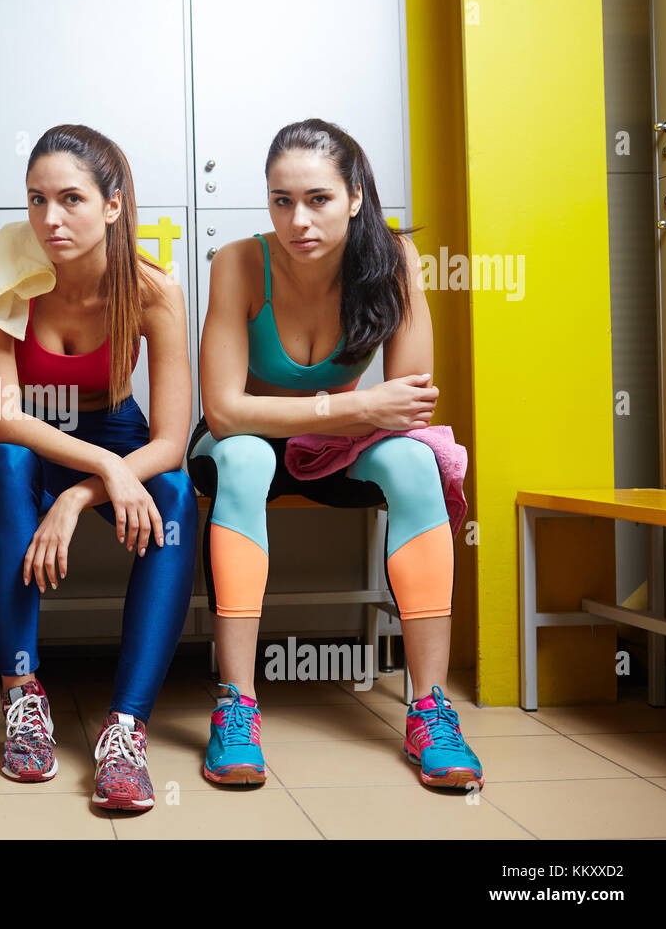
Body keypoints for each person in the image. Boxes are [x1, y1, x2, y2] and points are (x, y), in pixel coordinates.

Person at [190, 118, 482, 791]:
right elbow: (226, 412)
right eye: (281, 200)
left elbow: (409, 405)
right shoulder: (239, 261)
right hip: (247, 443)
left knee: (413, 462)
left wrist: (355, 417)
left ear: (355, 196)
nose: (298, 219)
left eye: (317, 198)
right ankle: (236, 705)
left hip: (342, 449)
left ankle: (430, 709)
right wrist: (352, 406)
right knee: (245, 460)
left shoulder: (393, 261)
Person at [0, 124, 197, 811]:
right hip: (39, 437)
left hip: (119, 433)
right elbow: (2, 414)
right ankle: (22, 697)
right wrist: (102, 470)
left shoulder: (153, 290)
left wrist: (77, 498)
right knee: (4, 463)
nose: (49, 219)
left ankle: (126, 729)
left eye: (70, 198)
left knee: (176, 493)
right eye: (36, 199)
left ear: (113, 205)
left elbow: (171, 439)